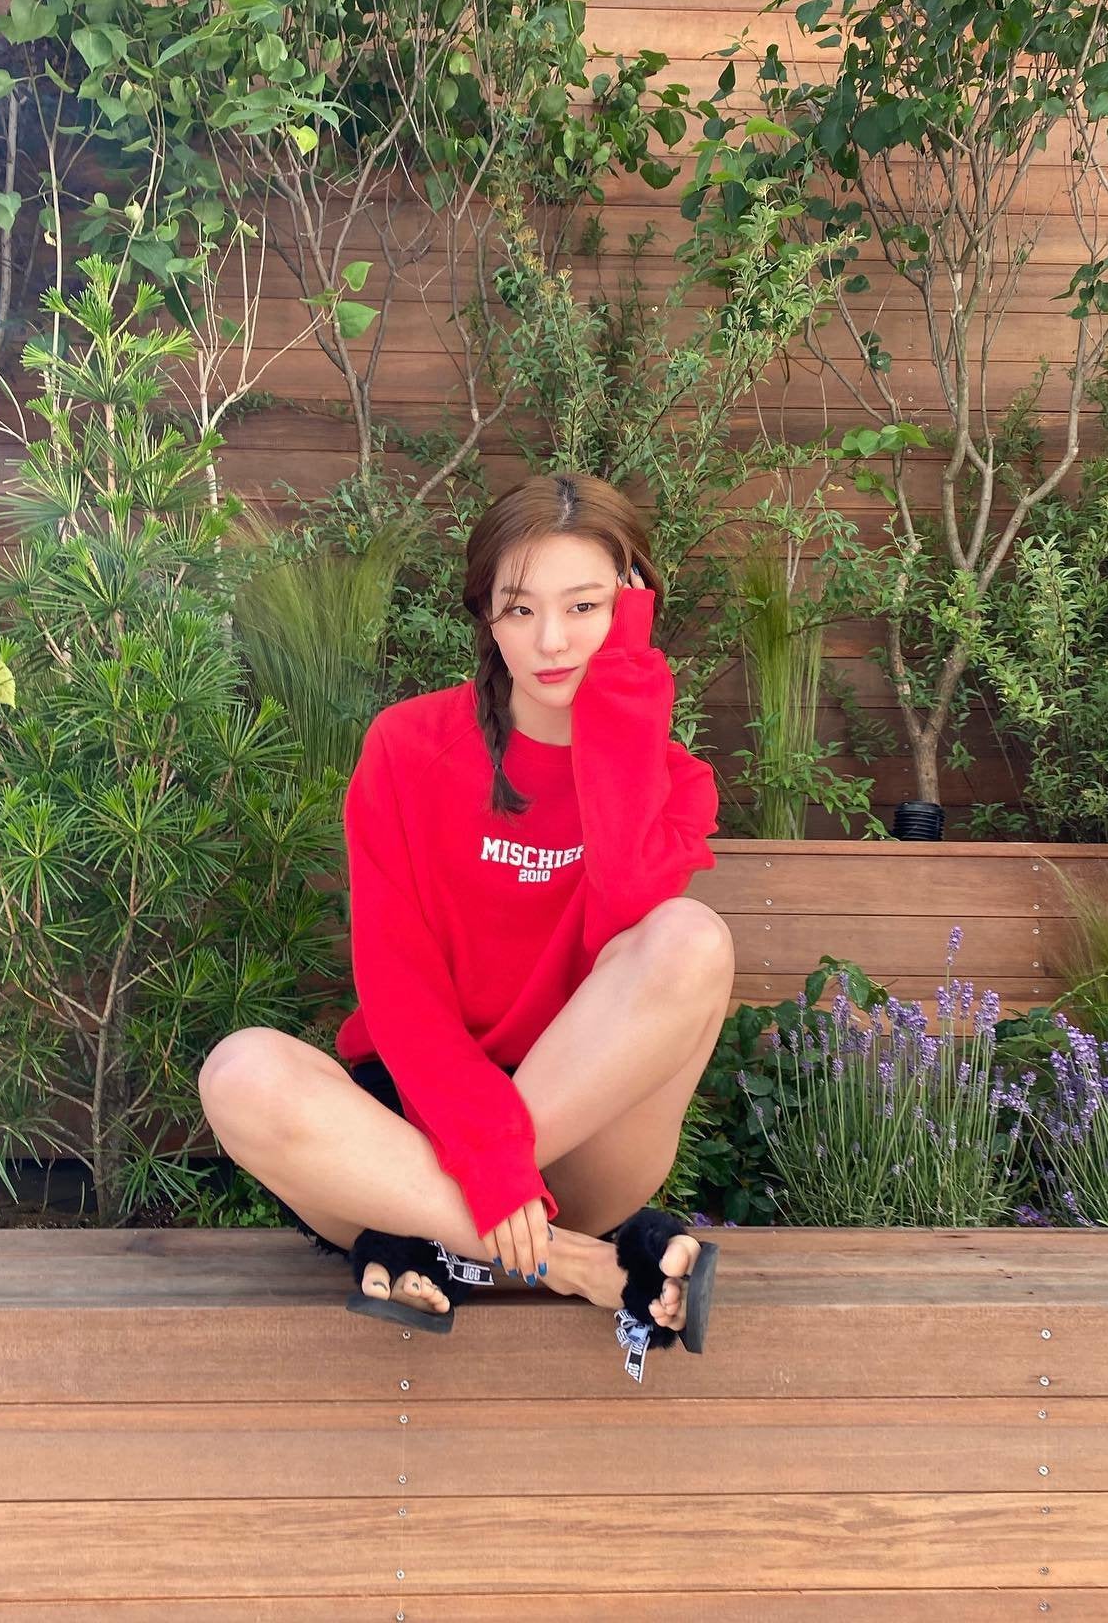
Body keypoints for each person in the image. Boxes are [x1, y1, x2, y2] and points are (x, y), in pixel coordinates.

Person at [198, 471, 734, 1383]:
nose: (552, 641)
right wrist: (484, 1162)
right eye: (520, 609)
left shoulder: (673, 784)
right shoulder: (409, 748)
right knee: (240, 1071)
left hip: (575, 1144)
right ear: (487, 616)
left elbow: (624, 904)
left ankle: (431, 1241)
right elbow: (398, 988)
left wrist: (625, 698)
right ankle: (574, 1264)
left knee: (692, 938)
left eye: (586, 606)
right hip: (413, 1124)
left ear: (631, 607)